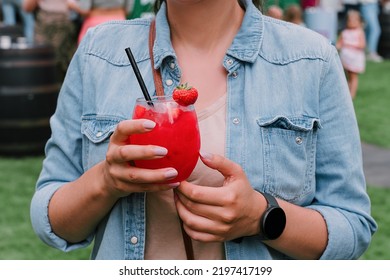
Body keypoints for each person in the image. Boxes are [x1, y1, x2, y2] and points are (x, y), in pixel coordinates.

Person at [30, 0, 377, 260]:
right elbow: (51, 218)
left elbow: (352, 226)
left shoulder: (311, 60)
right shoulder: (98, 53)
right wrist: (105, 182)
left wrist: (261, 216)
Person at [22, 0, 77, 79]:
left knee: (53, 65)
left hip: (57, 24)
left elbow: (27, 8)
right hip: (51, 24)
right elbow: (27, 8)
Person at [67, 0, 132, 44]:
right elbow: (128, 10)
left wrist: (72, 5)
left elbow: (85, 9)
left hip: (95, 26)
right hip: (120, 26)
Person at [336, 10, 366, 99]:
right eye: (349, 20)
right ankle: (347, 92)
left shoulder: (359, 32)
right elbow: (339, 44)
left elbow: (362, 45)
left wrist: (349, 44)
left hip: (354, 59)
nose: (351, 22)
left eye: (354, 20)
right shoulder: (344, 32)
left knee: (353, 77)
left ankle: (352, 94)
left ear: (359, 22)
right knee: (347, 76)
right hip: (345, 59)